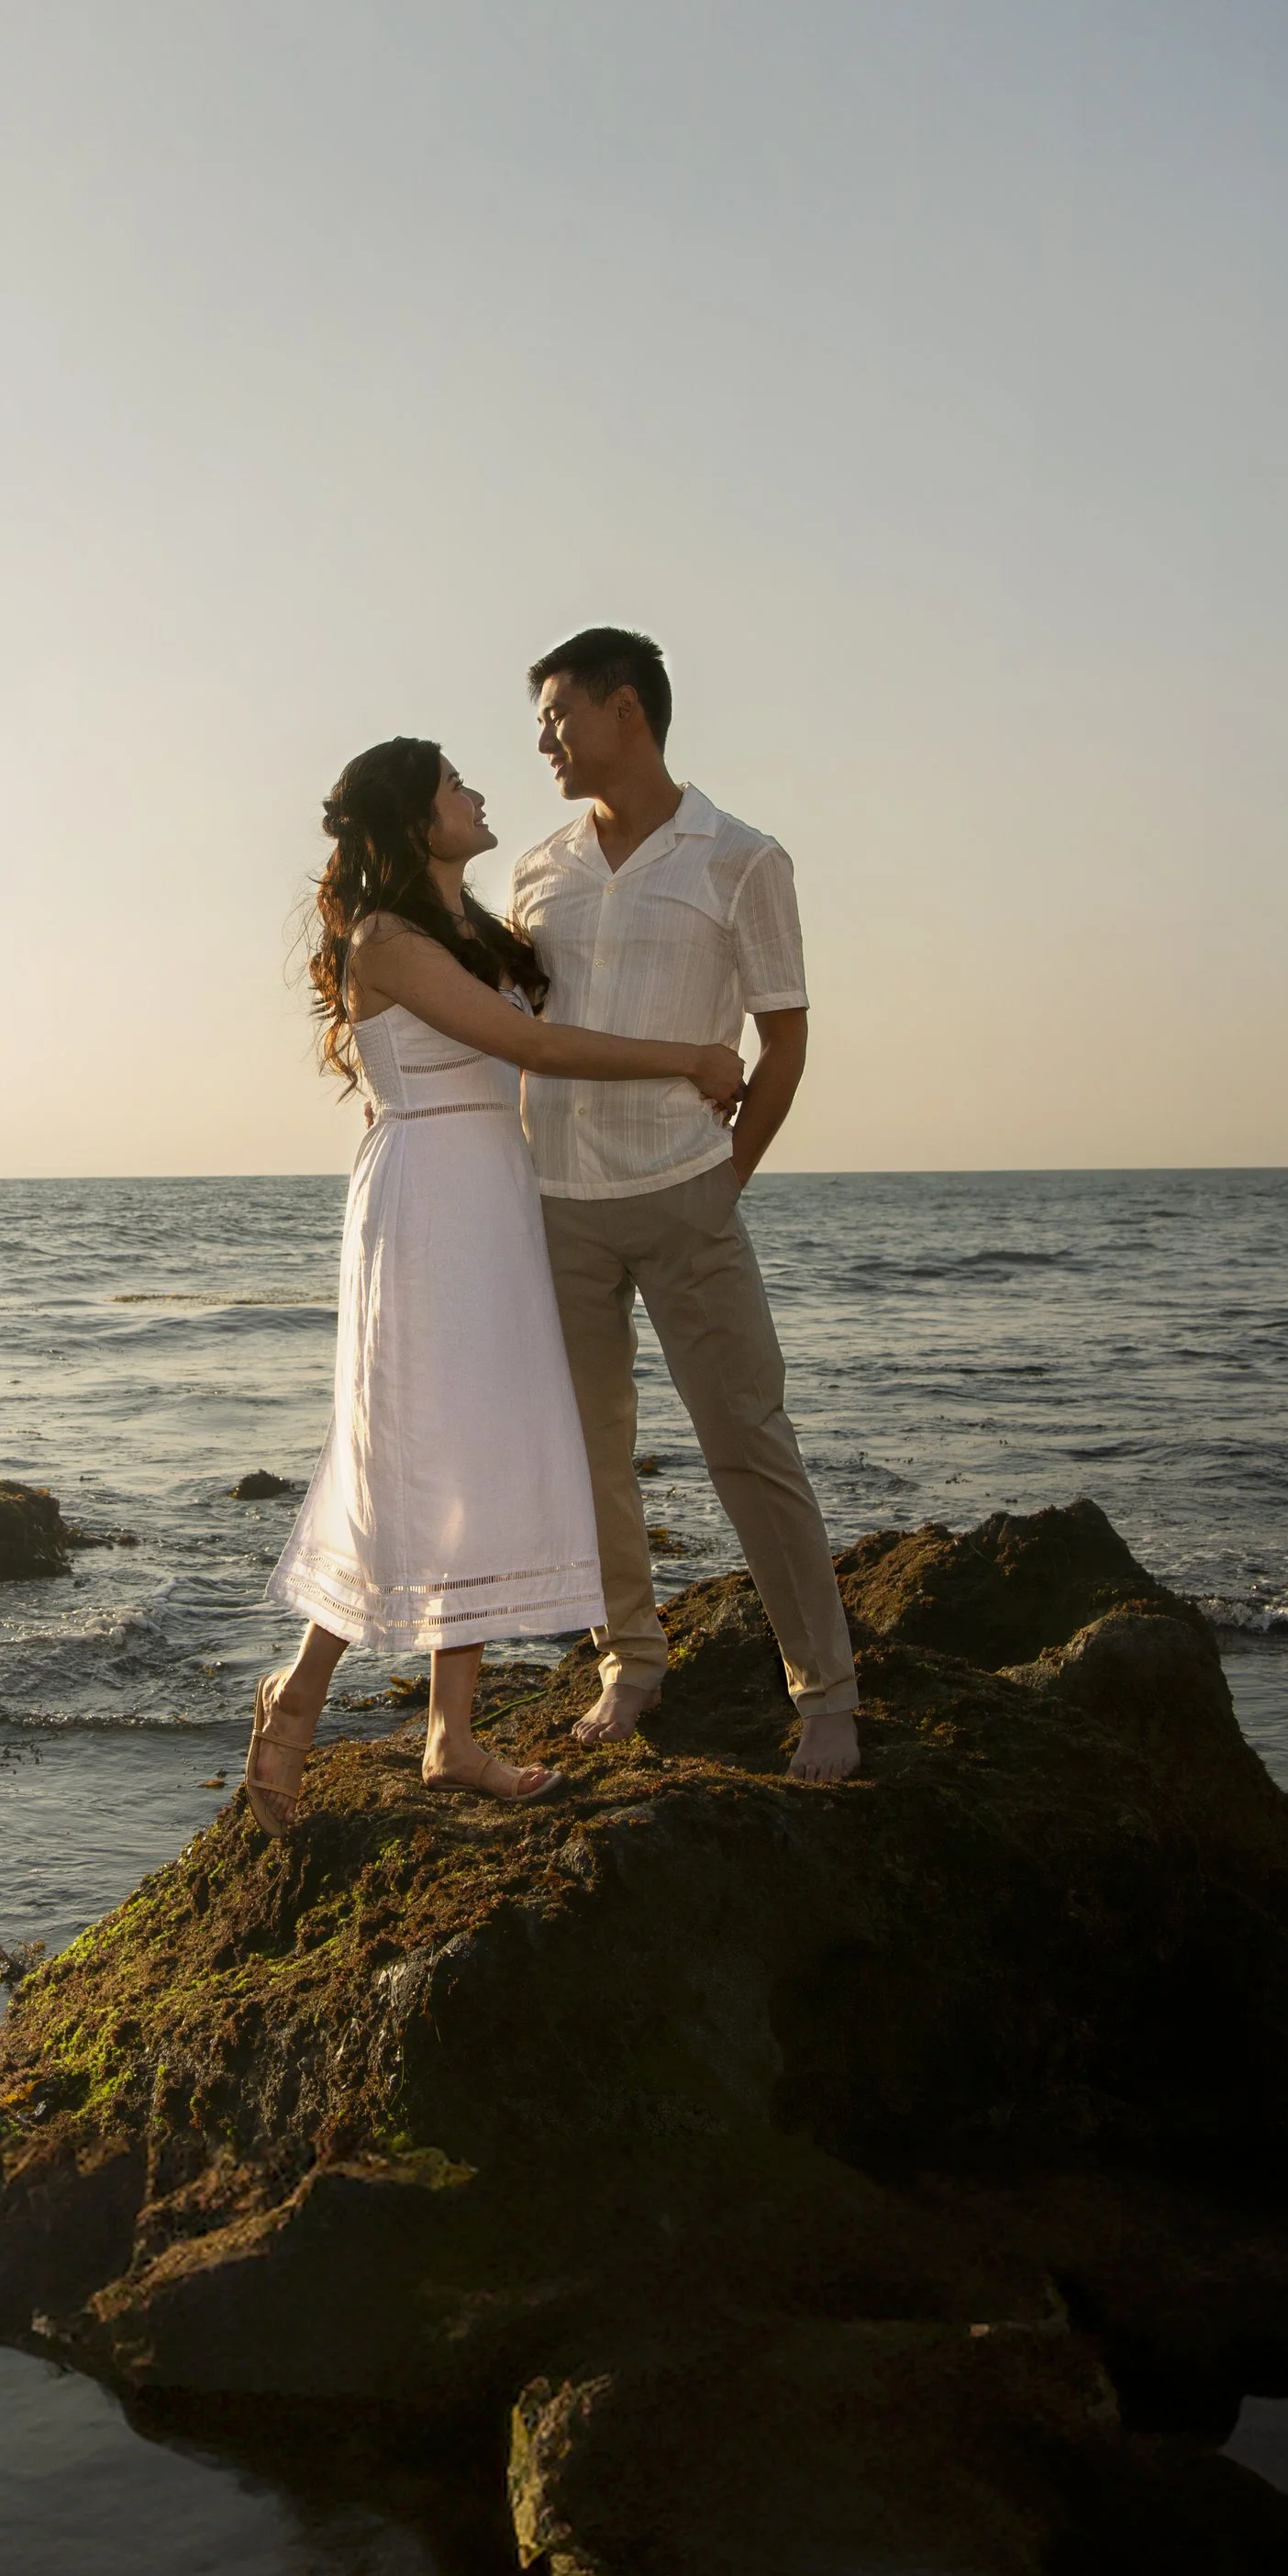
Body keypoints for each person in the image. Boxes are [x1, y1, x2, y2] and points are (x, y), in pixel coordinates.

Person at [243, 735, 747, 1829]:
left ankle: (450, 1736)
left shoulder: (477, 927)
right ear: (415, 821)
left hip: (492, 1195)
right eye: (454, 787)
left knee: (473, 1451)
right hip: (428, 1199)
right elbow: (537, 1047)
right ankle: (297, 1696)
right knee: (406, 1457)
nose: (477, 795)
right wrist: (690, 1057)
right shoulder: (384, 938)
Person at [508, 629, 861, 1785]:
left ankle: (825, 1690)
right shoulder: (538, 867)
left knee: (747, 1442)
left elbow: (787, 1036)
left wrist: (726, 1178)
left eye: (559, 712)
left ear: (628, 710)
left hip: (682, 1195)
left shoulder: (740, 856)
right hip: (553, 1199)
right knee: (589, 1452)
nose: (544, 736)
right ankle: (630, 1660)